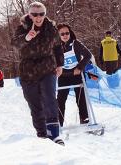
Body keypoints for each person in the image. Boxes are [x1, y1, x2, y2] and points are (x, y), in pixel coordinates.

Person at [11, 2, 64, 145]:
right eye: (34, 14)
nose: (38, 17)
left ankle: (54, 135)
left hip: (47, 68)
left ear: (45, 15)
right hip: (28, 71)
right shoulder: (22, 28)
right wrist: (27, 37)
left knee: (49, 98)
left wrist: (60, 64)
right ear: (29, 15)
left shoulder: (51, 28)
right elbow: (15, 44)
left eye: (41, 14)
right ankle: (42, 135)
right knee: (35, 104)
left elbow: (58, 46)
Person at [56, 23, 92, 127]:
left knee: (81, 97)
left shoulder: (76, 44)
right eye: (62, 34)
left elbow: (88, 55)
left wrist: (80, 67)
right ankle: (59, 123)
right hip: (64, 75)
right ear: (58, 35)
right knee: (61, 99)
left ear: (70, 33)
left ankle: (84, 119)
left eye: (67, 33)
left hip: (77, 74)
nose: (65, 35)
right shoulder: (56, 47)